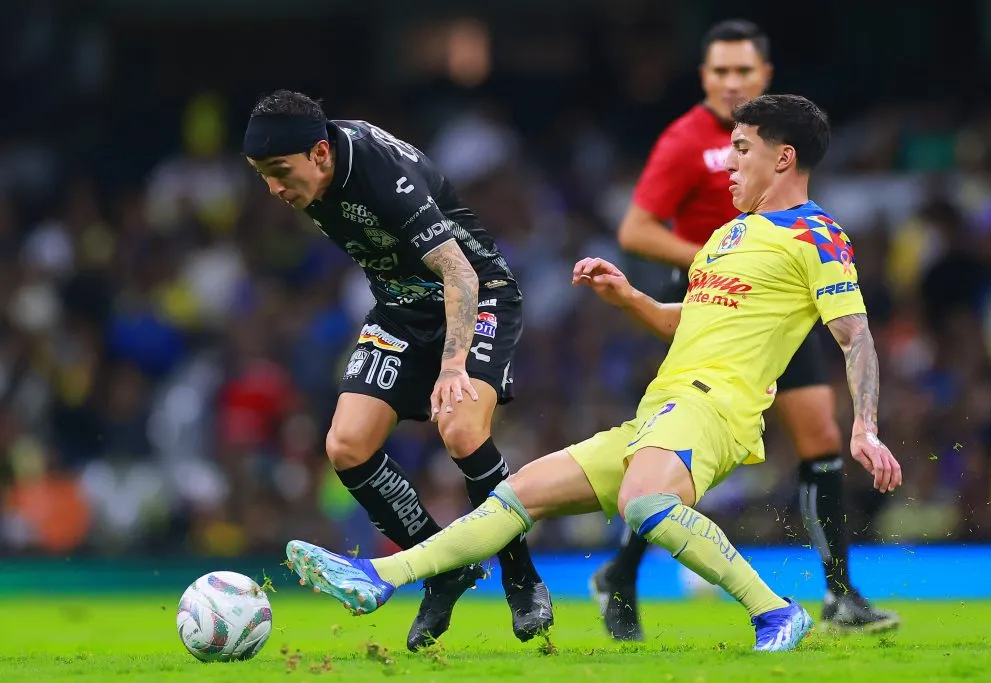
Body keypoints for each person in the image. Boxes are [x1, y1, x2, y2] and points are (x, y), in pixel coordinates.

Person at [282, 94, 903, 653]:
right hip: (659, 410)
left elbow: (855, 334)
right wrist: (629, 296)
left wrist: (865, 428)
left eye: (740, 150)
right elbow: (685, 322)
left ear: (784, 157)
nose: (729, 164)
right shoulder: (730, 235)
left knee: (645, 502)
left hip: (715, 408)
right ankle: (377, 577)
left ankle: (774, 612)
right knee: (516, 495)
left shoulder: (818, 235)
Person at [606, 19, 898, 639]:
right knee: (672, 450)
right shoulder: (684, 141)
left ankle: (841, 595)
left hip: (783, 303)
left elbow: (855, 332)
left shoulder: (775, 133)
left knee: (820, 433)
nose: (731, 81)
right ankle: (623, 574)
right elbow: (635, 231)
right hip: (715, 310)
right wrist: (720, 260)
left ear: (763, 75)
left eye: (743, 71)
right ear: (703, 77)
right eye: (719, 71)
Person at [242, 90, 552, 650]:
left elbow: (459, 273)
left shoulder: (380, 174)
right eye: (260, 174)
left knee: (460, 428)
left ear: (319, 153)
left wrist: (452, 365)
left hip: (478, 295)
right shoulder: (311, 163)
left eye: (278, 172)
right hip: (402, 310)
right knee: (346, 446)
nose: (273, 189)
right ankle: (443, 567)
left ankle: (522, 575)